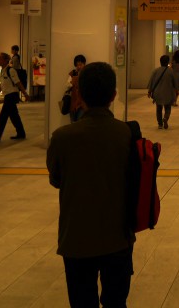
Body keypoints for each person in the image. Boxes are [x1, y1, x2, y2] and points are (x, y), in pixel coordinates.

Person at [46, 62, 135, 308]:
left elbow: (56, 180)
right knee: (116, 302)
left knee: (81, 302)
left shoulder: (62, 138)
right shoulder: (127, 135)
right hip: (118, 237)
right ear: (114, 95)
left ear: (80, 95)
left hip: (76, 238)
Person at [0, 52, 29, 142]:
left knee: (3, 116)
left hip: (12, 95)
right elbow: (2, 85)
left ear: (5, 60)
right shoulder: (2, 71)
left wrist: (25, 94)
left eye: (0, 59)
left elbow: (18, 83)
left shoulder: (11, 70)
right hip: (7, 95)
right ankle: (21, 133)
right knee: (14, 116)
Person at [148, 55, 178, 129]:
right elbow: (175, 82)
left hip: (158, 93)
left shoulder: (155, 71)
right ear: (167, 62)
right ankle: (165, 118)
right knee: (168, 107)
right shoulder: (171, 71)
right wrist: (176, 90)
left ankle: (160, 124)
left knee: (159, 108)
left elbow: (151, 82)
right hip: (168, 92)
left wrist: (149, 91)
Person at [67, 55, 87, 122]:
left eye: (80, 64)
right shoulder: (73, 73)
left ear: (84, 64)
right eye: (77, 65)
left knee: (80, 122)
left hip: (82, 103)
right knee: (72, 122)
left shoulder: (87, 73)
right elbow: (67, 85)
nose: (79, 67)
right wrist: (74, 80)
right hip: (73, 102)